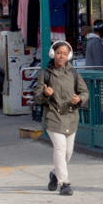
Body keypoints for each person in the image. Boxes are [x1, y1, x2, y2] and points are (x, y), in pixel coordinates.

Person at [33, 41, 89, 196]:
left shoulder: (73, 73)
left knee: (68, 153)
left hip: (70, 117)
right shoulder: (46, 73)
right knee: (60, 148)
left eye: (65, 53)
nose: (62, 56)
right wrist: (45, 94)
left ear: (69, 55)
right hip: (53, 116)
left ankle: (55, 173)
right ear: (53, 54)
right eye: (59, 53)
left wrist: (79, 99)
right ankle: (64, 183)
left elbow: (85, 92)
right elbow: (37, 97)